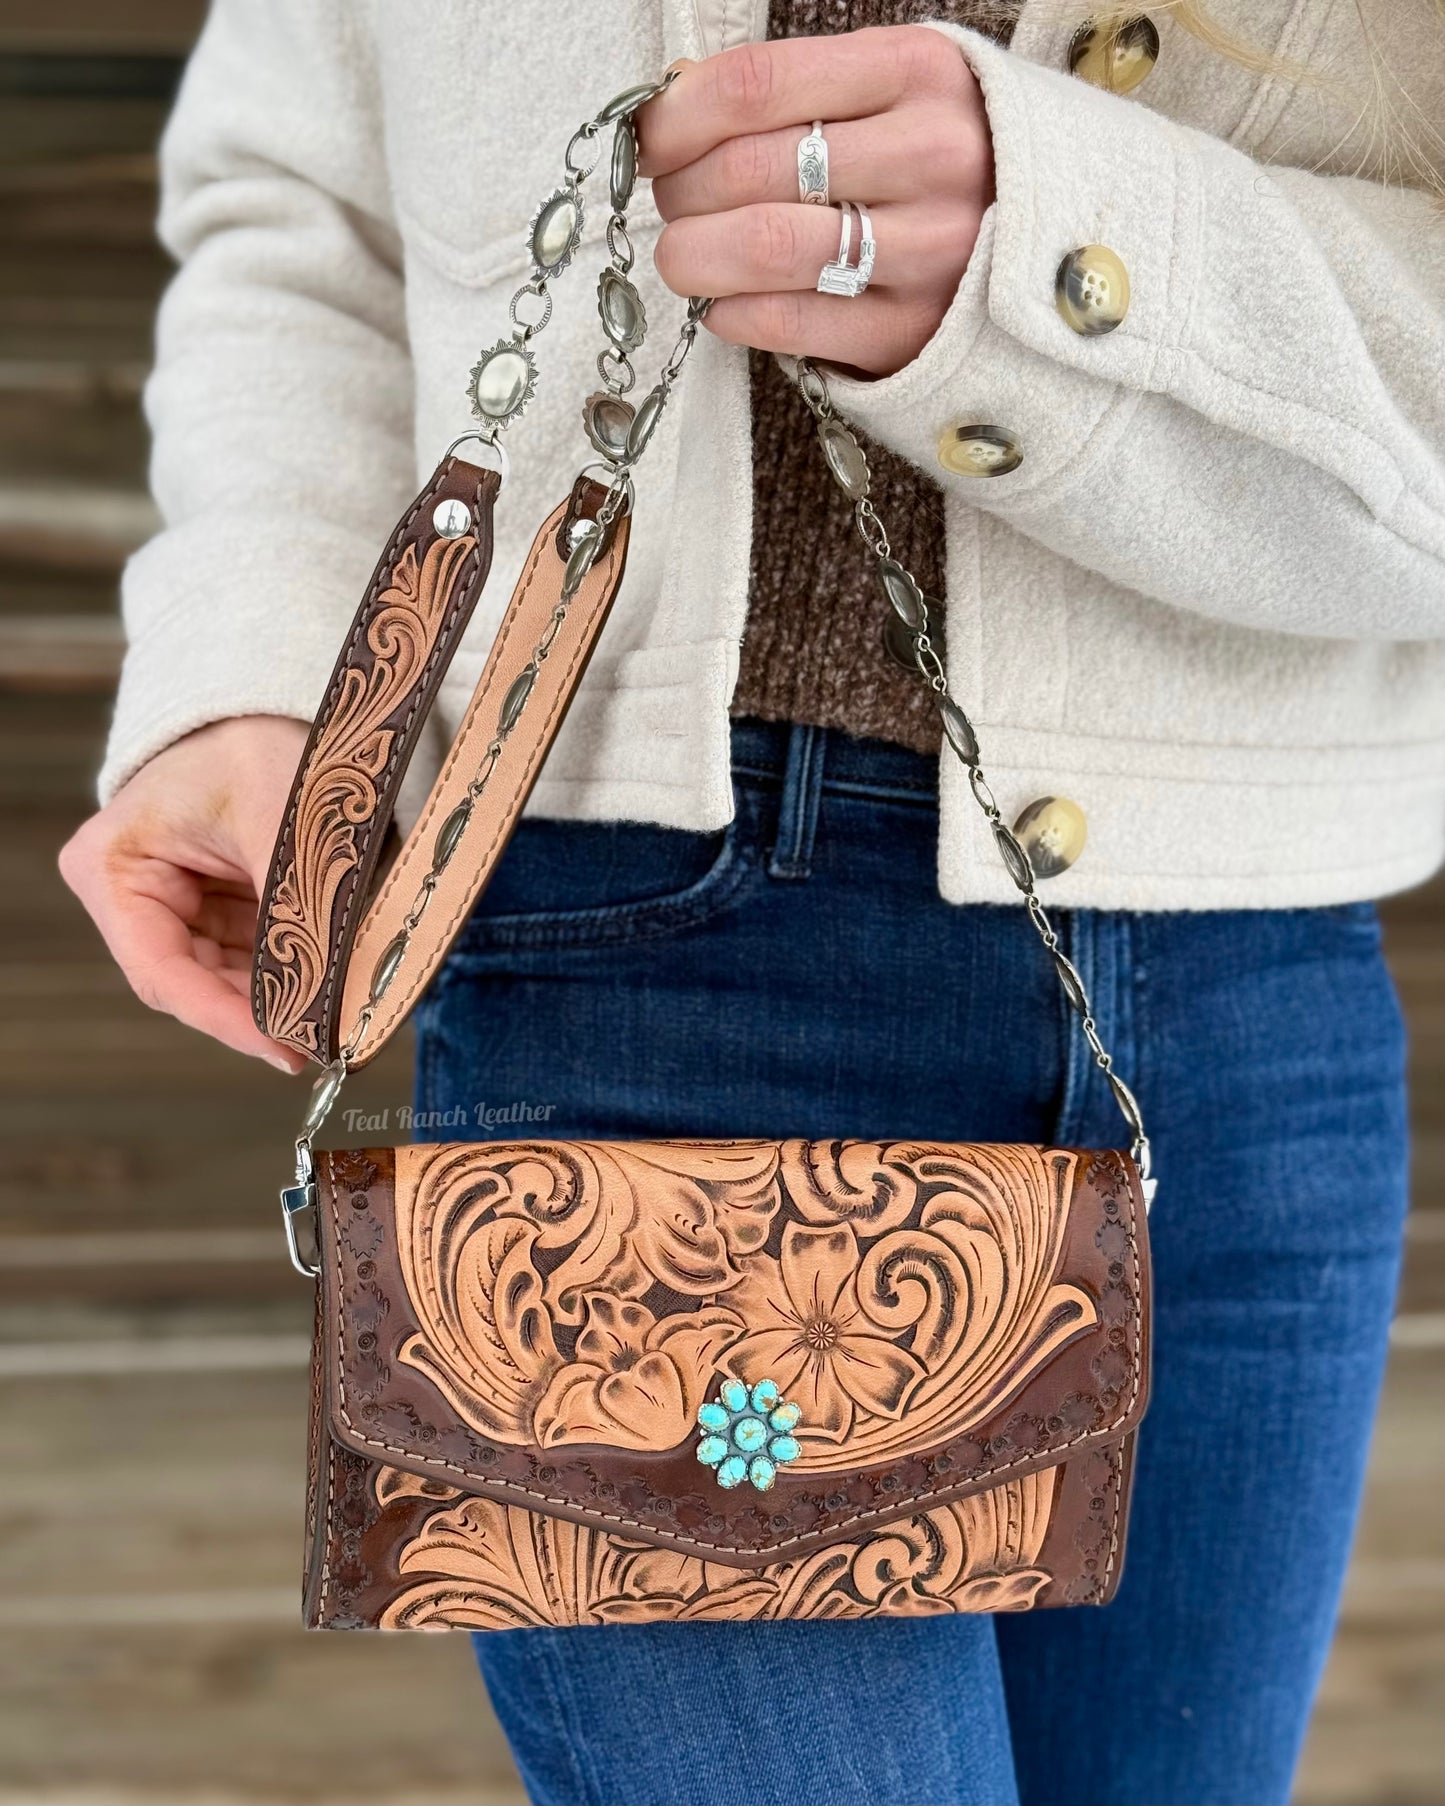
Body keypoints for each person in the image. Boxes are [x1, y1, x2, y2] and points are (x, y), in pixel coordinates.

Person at [57, 2, 1443, 1802]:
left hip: (1251, 990)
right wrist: (260, 661)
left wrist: (1063, 245)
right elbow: (301, 203)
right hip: (634, 983)